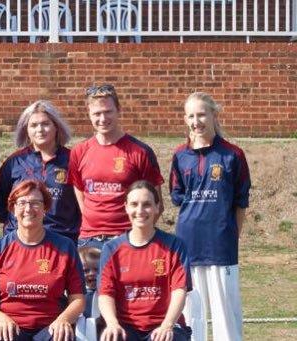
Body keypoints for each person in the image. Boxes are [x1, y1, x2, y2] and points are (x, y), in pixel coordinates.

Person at [169, 92, 250, 341]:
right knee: (192, 312)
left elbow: (240, 202)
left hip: (220, 244)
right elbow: (177, 195)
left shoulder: (232, 155)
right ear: (185, 119)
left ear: (214, 114)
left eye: (202, 114)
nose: (197, 121)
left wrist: (230, 235)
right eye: (191, 116)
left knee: (225, 311)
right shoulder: (180, 156)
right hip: (188, 243)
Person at [0, 180, 86, 341]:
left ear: (45, 209)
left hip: (51, 328)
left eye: (35, 203)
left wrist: (63, 320)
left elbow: (78, 299)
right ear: (13, 209)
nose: (28, 209)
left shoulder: (65, 248)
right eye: (22, 203)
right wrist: (1, 319)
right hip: (10, 328)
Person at [69, 84, 164, 251]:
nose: (103, 119)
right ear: (89, 115)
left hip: (126, 238)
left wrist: (137, 236)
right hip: (88, 241)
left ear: (118, 110)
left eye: (108, 112)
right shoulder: (79, 151)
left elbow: (157, 205)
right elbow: (81, 194)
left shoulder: (140, 152)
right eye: (97, 114)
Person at [98, 181, 191, 341]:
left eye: (147, 204)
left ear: (157, 207)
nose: (140, 211)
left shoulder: (175, 245)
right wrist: (112, 323)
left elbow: (179, 291)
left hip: (164, 325)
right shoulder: (111, 249)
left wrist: (167, 324)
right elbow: (105, 294)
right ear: (126, 207)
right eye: (134, 204)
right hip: (126, 327)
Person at [0, 100, 80, 241]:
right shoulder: (14, 162)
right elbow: (1, 202)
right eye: (33, 125)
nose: (39, 129)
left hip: (62, 239)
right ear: (26, 130)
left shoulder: (72, 160)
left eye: (45, 124)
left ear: (56, 127)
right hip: (22, 239)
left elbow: (81, 203)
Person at [79, 246, 102, 318]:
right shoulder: (74, 293)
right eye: (85, 270)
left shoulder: (106, 293)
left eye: (96, 269)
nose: (92, 273)